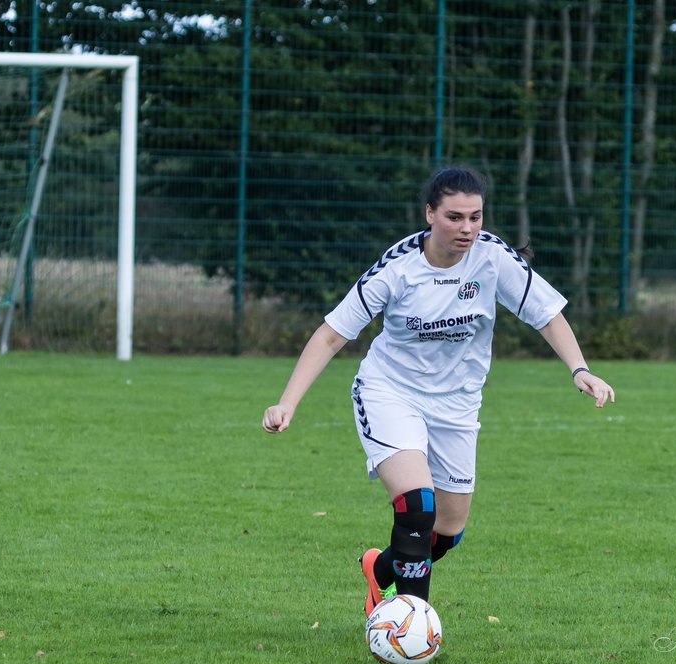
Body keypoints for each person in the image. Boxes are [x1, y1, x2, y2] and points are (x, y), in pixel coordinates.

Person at [262, 166, 615, 614]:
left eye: (475, 217)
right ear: (429, 214)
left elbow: (545, 313)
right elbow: (333, 334)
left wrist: (579, 368)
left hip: (457, 405)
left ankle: (383, 571)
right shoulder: (398, 268)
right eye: (454, 217)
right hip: (390, 392)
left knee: (447, 532)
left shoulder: (492, 258)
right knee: (416, 506)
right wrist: (287, 401)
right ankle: (408, 626)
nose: (466, 228)